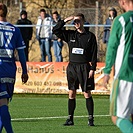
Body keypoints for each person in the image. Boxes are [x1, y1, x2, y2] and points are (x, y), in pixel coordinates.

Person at [53, 13, 97, 126]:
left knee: (87, 93)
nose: (76, 23)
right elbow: (55, 30)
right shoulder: (71, 35)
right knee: (71, 93)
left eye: (78, 21)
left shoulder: (90, 36)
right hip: (72, 67)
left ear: (83, 21)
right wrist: (66, 20)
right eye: (75, 22)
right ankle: (70, 119)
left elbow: (94, 54)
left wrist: (92, 69)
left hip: (84, 67)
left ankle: (91, 119)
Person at [103, 0, 133, 132]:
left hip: (125, 74)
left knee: (117, 116)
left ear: (123, 2)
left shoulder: (121, 20)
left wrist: (107, 71)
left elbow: (112, 47)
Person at [0, 3, 28, 133]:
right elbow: (21, 53)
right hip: (10, 70)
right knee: (3, 103)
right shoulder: (15, 29)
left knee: (2, 104)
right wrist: (25, 71)